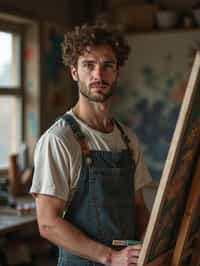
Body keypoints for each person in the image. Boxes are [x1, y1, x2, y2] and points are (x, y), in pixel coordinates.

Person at [30, 24, 152, 266]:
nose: (99, 75)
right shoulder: (59, 140)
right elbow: (47, 223)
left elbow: (138, 206)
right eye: (89, 65)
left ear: (117, 72)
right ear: (74, 72)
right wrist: (110, 257)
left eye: (108, 65)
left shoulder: (127, 139)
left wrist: (148, 245)